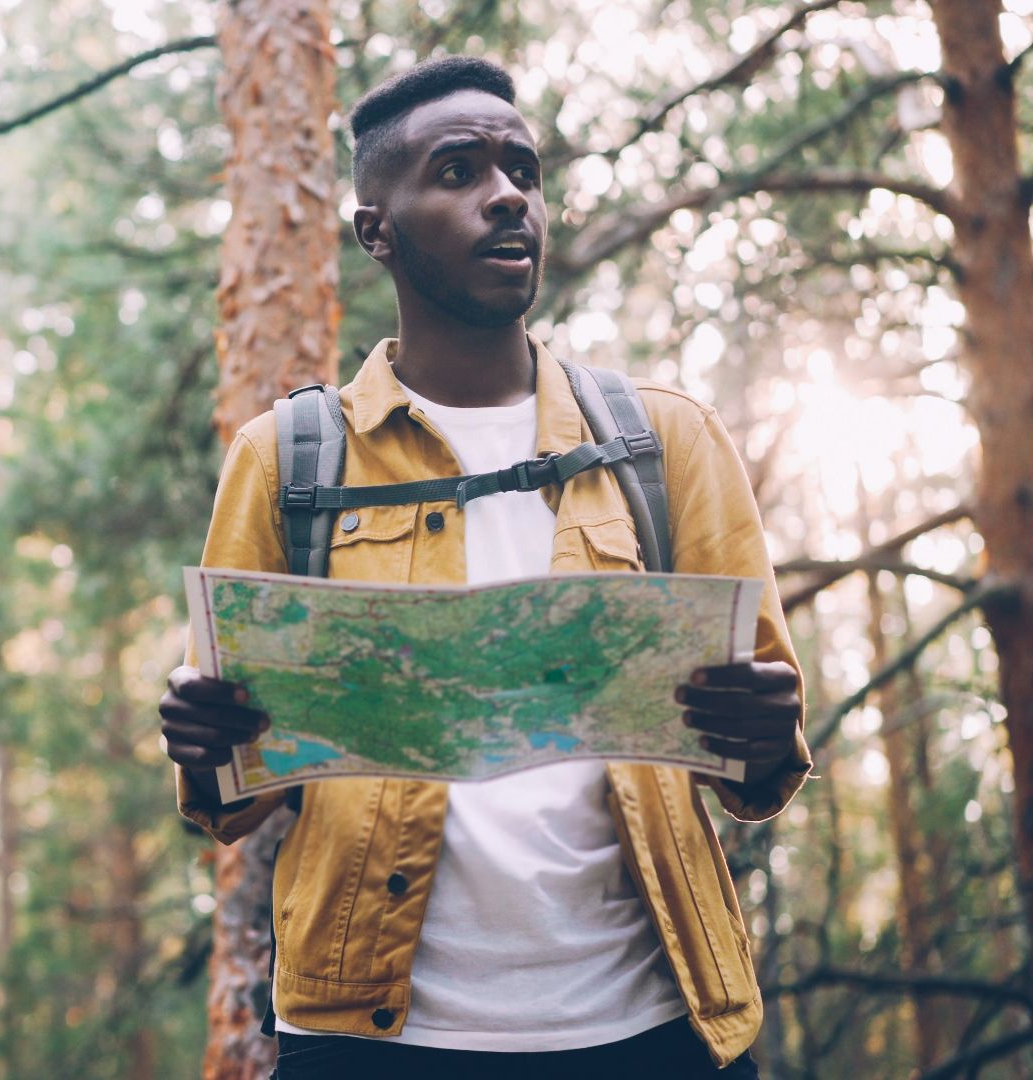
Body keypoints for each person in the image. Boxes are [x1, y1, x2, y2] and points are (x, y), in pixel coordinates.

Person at [158, 56, 809, 1078]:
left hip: (644, 1027)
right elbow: (232, 803)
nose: (507, 195)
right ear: (378, 230)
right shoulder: (287, 461)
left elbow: (758, 776)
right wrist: (205, 740)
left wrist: (766, 729)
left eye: (522, 170)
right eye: (457, 171)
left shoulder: (666, 442)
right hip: (368, 1041)